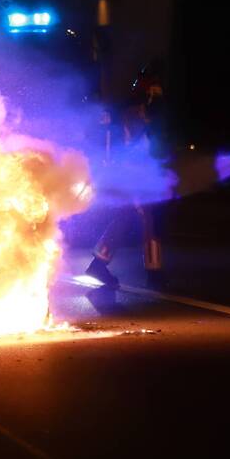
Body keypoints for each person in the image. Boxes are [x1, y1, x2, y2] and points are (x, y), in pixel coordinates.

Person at [85, 60, 169, 290]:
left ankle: (100, 263)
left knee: (127, 217)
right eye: (155, 90)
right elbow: (142, 142)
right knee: (149, 217)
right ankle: (154, 271)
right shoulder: (137, 112)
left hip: (129, 171)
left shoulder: (131, 110)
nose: (158, 94)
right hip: (134, 173)